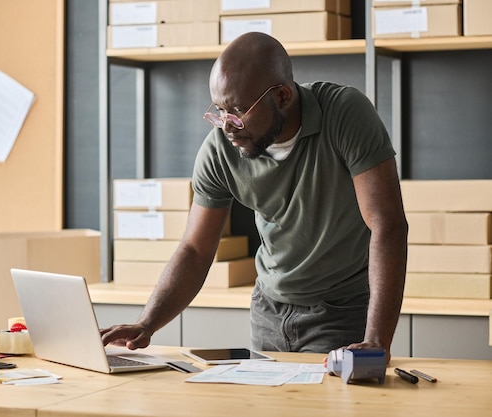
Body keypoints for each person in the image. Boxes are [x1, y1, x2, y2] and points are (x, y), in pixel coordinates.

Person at [101, 32, 408, 362]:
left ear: (283, 96)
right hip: (268, 310)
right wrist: (146, 323)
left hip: (340, 310)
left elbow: (387, 223)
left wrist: (376, 341)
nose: (227, 126)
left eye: (238, 110)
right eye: (219, 110)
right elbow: (194, 249)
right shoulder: (220, 148)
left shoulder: (344, 114)